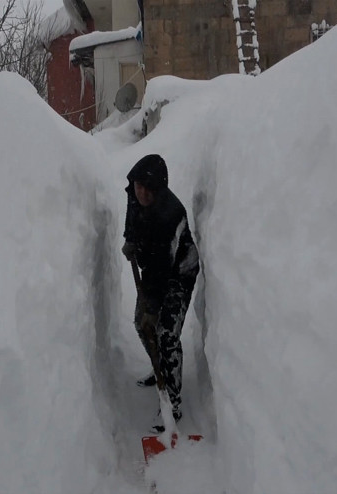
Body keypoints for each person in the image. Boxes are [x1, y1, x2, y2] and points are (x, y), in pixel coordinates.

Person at [121, 154, 199, 431]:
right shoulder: (135, 193)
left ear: (159, 190)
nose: (141, 192)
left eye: (148, 188)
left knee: (166, 333)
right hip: (155, 267)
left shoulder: (170, 215)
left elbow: (163, 270)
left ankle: (174, 403)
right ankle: (160, 367)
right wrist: (130, 239)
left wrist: (154, 307)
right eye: (139, 185)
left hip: (179, 272)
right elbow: (132, 214)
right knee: (142, 325)